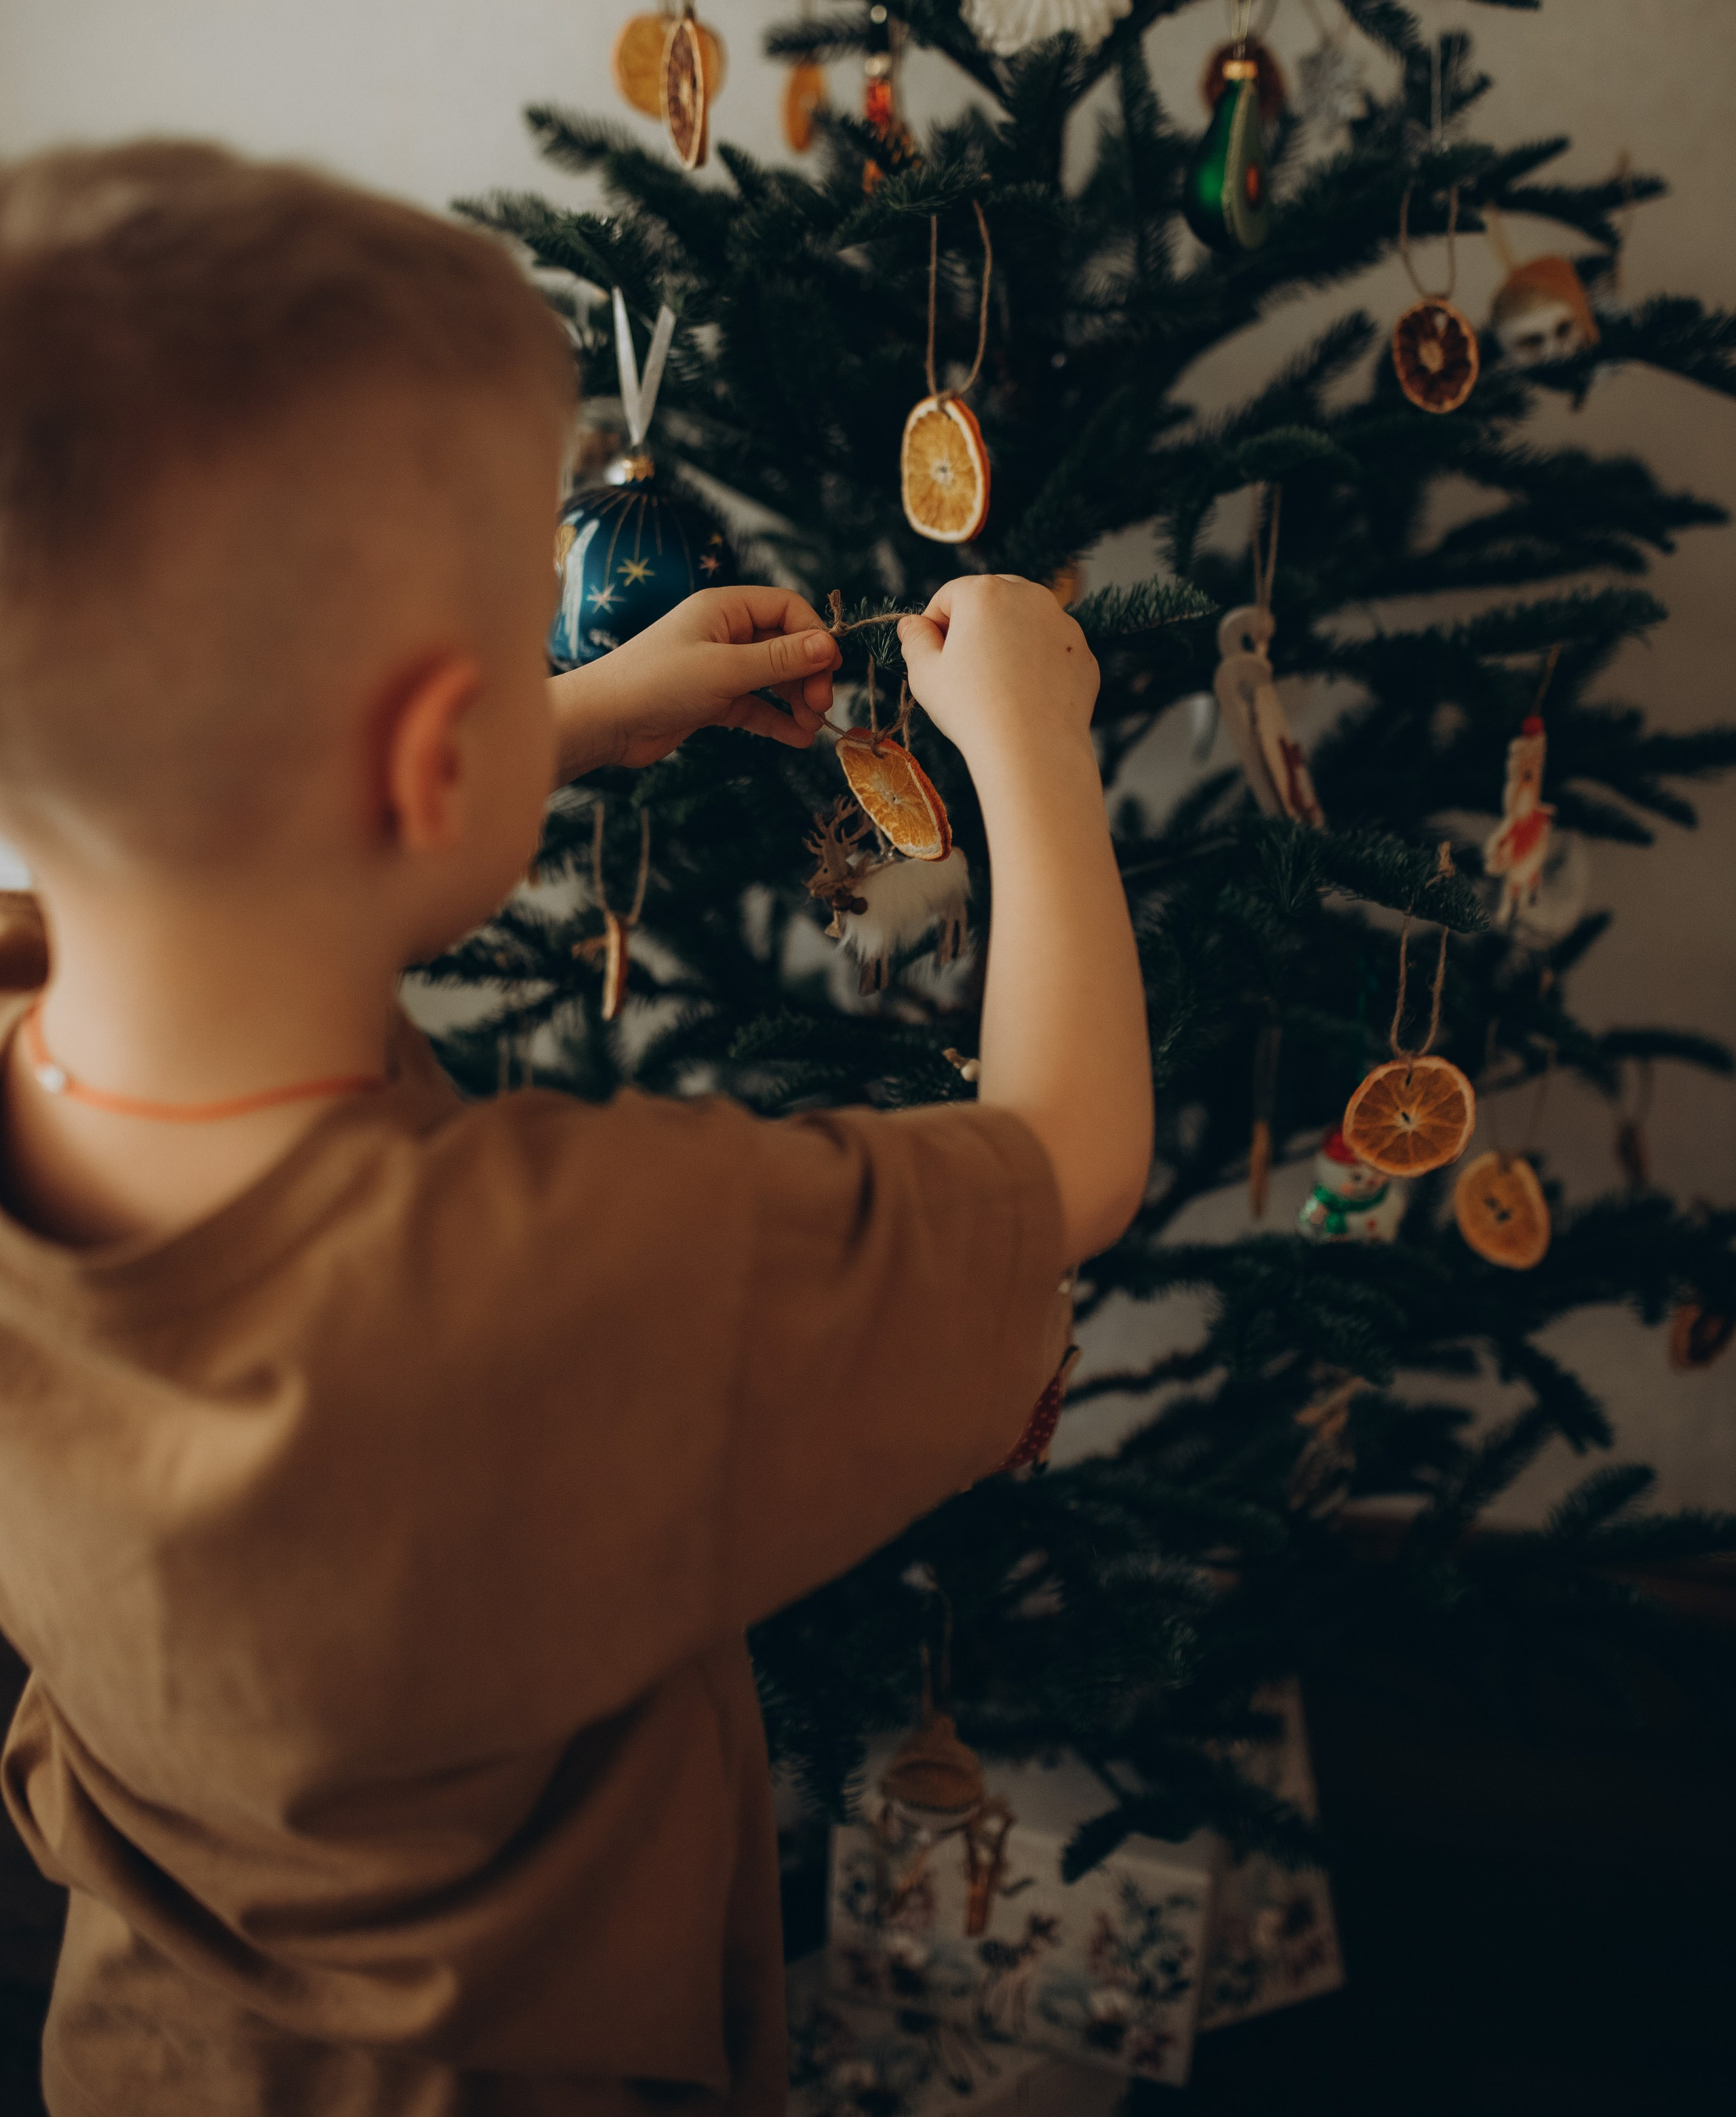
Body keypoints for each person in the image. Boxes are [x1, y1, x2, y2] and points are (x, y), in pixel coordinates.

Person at [0, 142, 1152, 2116]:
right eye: (525, 606)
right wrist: (1035, 755)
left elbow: (206, 846)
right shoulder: (577, 1274)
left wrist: (580, 711)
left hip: (146, 2051)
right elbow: (1069, 1157)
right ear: (434, 746)